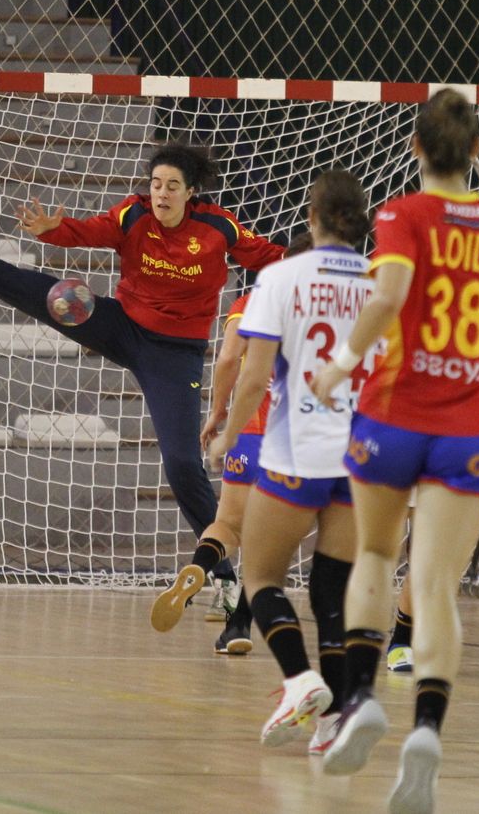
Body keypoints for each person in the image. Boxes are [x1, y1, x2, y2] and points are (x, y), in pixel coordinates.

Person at [0, 143, 284, 605]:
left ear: (191, 192)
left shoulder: (218, 228)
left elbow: (274, 259)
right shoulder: (134, 216)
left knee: (184, 464)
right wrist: (53, 229)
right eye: (155, 184)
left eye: (172, 186)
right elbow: (87, 231)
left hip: (175, 355)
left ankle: (225, 582)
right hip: (122, 326)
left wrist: (328, 270)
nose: (162, 194)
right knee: (47, 294)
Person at [310, 89, 479, 812]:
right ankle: (429, 730)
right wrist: (465, 343)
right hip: (468, 428)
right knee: (436, 584)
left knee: (375, 556)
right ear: (476, 152)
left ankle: (362, 696)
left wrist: (342, 365)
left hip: (393, 413)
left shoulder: (400, 216)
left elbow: (390, 294)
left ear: (415, 148)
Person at [205, 171, 376, 753]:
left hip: (295, 448)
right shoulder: (382, 285)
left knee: (262, 575)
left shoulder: (281, 277)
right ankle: (334, 720)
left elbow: (252, 373)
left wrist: (228, 434)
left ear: (313, 217)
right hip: (360, 455)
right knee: (333, 588)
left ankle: (299, 680)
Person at [165, 231, 314, 655]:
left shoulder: (251, 304)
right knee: (273, 546)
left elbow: (229, 359)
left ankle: (200, 567)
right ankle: (240, 626)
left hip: (249, 435)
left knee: (228, 524)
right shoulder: (332, 313)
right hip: (296, 443)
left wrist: (216, 414)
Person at [385, 342, 479, 674]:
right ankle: (400, 640)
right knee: (425, 552)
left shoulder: (433, 300)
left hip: (416, 433)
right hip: (464, 441)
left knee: (406, 550)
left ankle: (397, 638)